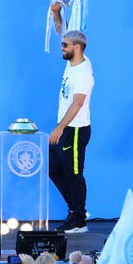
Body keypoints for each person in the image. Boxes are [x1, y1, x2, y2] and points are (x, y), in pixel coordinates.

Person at [49, 29, 94, 233]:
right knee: (53, 167)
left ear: (76, 47)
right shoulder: (73, 62)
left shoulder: (83, 72)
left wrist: (60, 127)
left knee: (74, 174)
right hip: (66, 128)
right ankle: (77, 210)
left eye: (65, 45)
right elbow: (63, 28)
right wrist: (57, 13)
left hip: (74, 130)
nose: (62, 48)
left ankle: (78, 220)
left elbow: (77, 104)